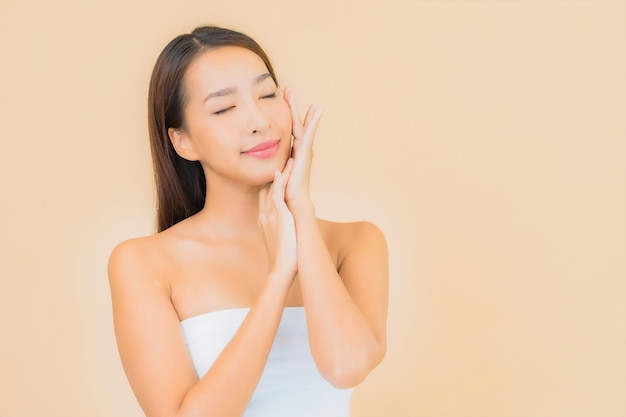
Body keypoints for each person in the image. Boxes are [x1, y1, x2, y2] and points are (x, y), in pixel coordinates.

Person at [107, 25, 388, 417]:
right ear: (182, 141)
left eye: (268, 94)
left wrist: (301, 214)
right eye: (223, 108)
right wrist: (277, 279)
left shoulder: (355, 242)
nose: (258, 121)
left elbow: (345, 367)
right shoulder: (143, 262)